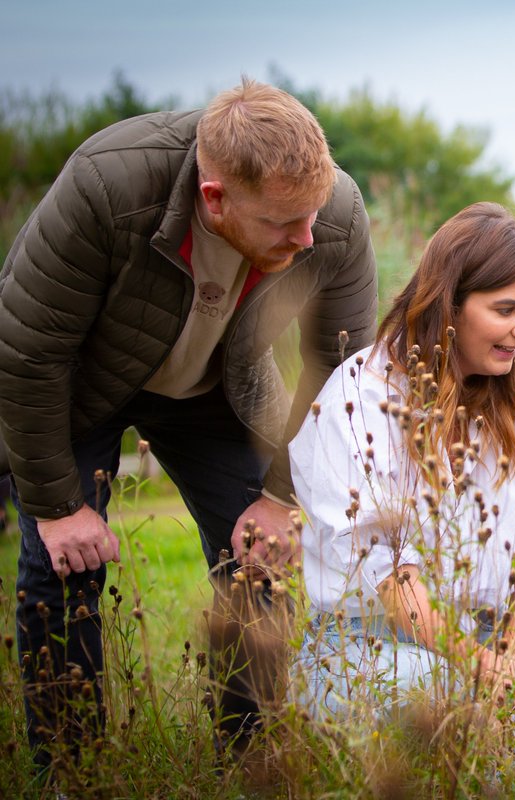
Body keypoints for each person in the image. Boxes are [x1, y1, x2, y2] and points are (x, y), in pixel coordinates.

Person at [0, 78, 378, 767]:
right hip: (82, 385)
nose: (308, 237)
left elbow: (340, 370)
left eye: (314, 214)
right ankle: (69, 770)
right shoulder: (106, 184)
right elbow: (28, 349)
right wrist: (58, 507)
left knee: (260, 565)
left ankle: (251, 758)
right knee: (60, 571)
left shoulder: (335, 216)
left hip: (216, 389)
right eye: (283, 223)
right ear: (215, 197)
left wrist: (281, 497)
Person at [291, 202, 515, 716]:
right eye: (507, 309)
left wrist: (513, 663)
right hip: (368, 644)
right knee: (445, 701)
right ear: (448, 306)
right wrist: (483, 670)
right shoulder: (362, 398)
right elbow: (388, 576)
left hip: (488, 646)